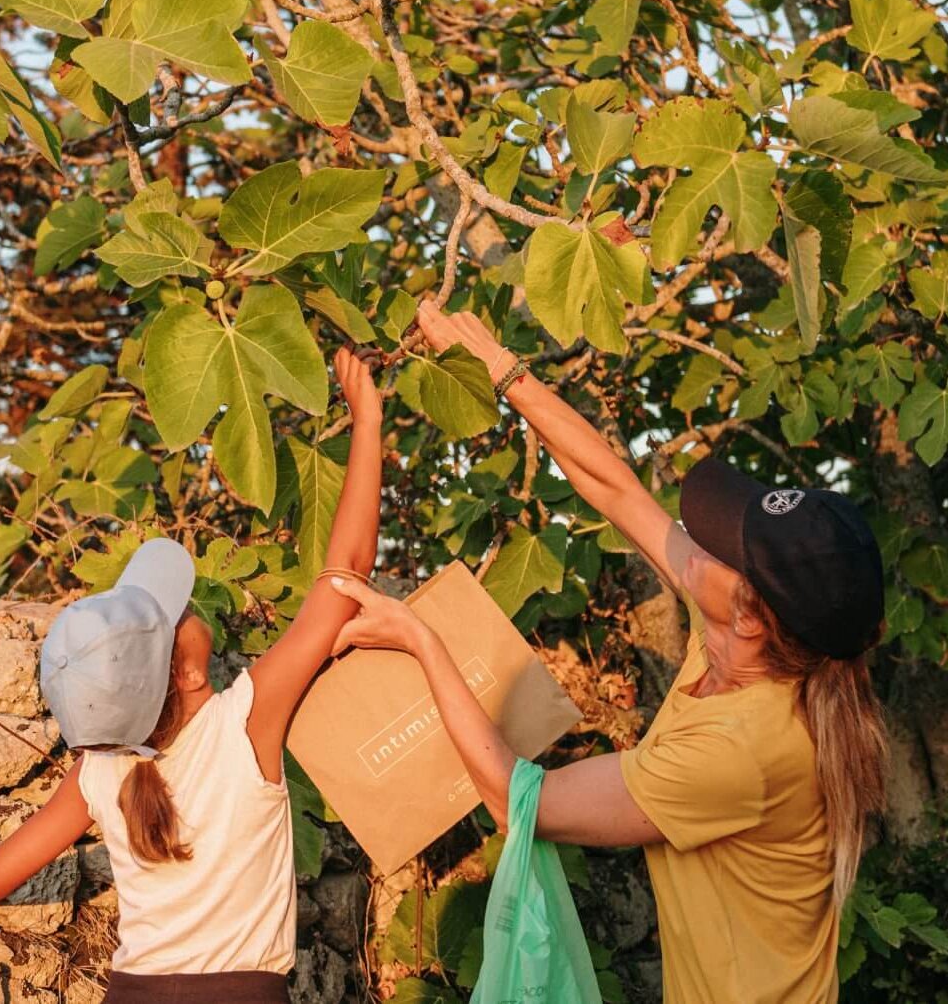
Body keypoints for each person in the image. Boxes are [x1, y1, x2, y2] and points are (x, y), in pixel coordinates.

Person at [325, 298, 889, 1004]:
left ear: (751, 614)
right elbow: (616, 489)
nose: (697, 535)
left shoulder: (744, 748)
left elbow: (520, 799)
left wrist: (420, 638)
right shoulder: (734, 641)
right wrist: (500, 369)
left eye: (722, 545)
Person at [0, 348, 384, 1004]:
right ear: (190, 671)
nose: (188, 607)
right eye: (178, 614)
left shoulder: (100, 769)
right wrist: (367, 420)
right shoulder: (242, 722)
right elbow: (345, 572)